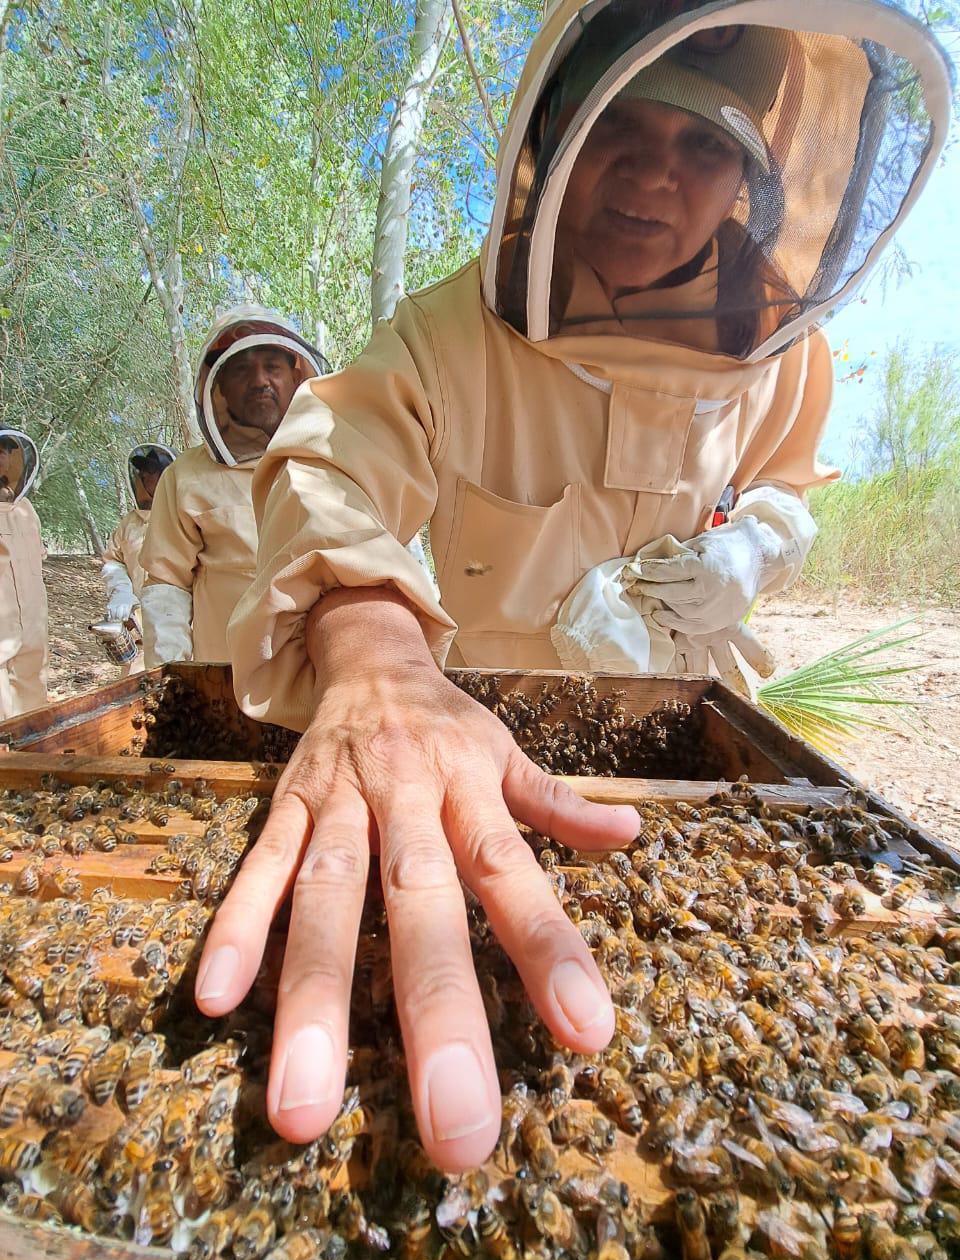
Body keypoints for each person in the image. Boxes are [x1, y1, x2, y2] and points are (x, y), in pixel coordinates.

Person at [201, 0, 952, 1173]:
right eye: (627, 130)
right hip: (475, 756)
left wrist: (754, 542)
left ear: (753, 174)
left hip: (692, 740)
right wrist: (379, 649)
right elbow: (329, 461)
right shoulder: (452, 333)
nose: (658, 177)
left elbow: (789, 486)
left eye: (706, 146)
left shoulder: (779, 349)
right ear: (560, 135)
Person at [139, 308, 328, 665]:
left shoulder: (334, 462)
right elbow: (166, 586)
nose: (260, 381)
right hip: (229, 684)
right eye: (242, 369)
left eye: (272, 366)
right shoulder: (185, 477)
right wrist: (174, 679)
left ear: (295, 375)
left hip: (325, 679)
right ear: (220, 385)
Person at [99, 444, 176, 674]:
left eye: (152, 472)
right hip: (138, 633)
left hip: (180, 633)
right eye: (143, 474)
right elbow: (114, 561)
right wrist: (121, 590)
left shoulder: (184, 516)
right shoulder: (128, 524)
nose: (146, 478)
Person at [0, 429, 48, 720]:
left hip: (32, 632)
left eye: (6, 451)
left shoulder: (25, 510)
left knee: (32, 717)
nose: (2, 458)